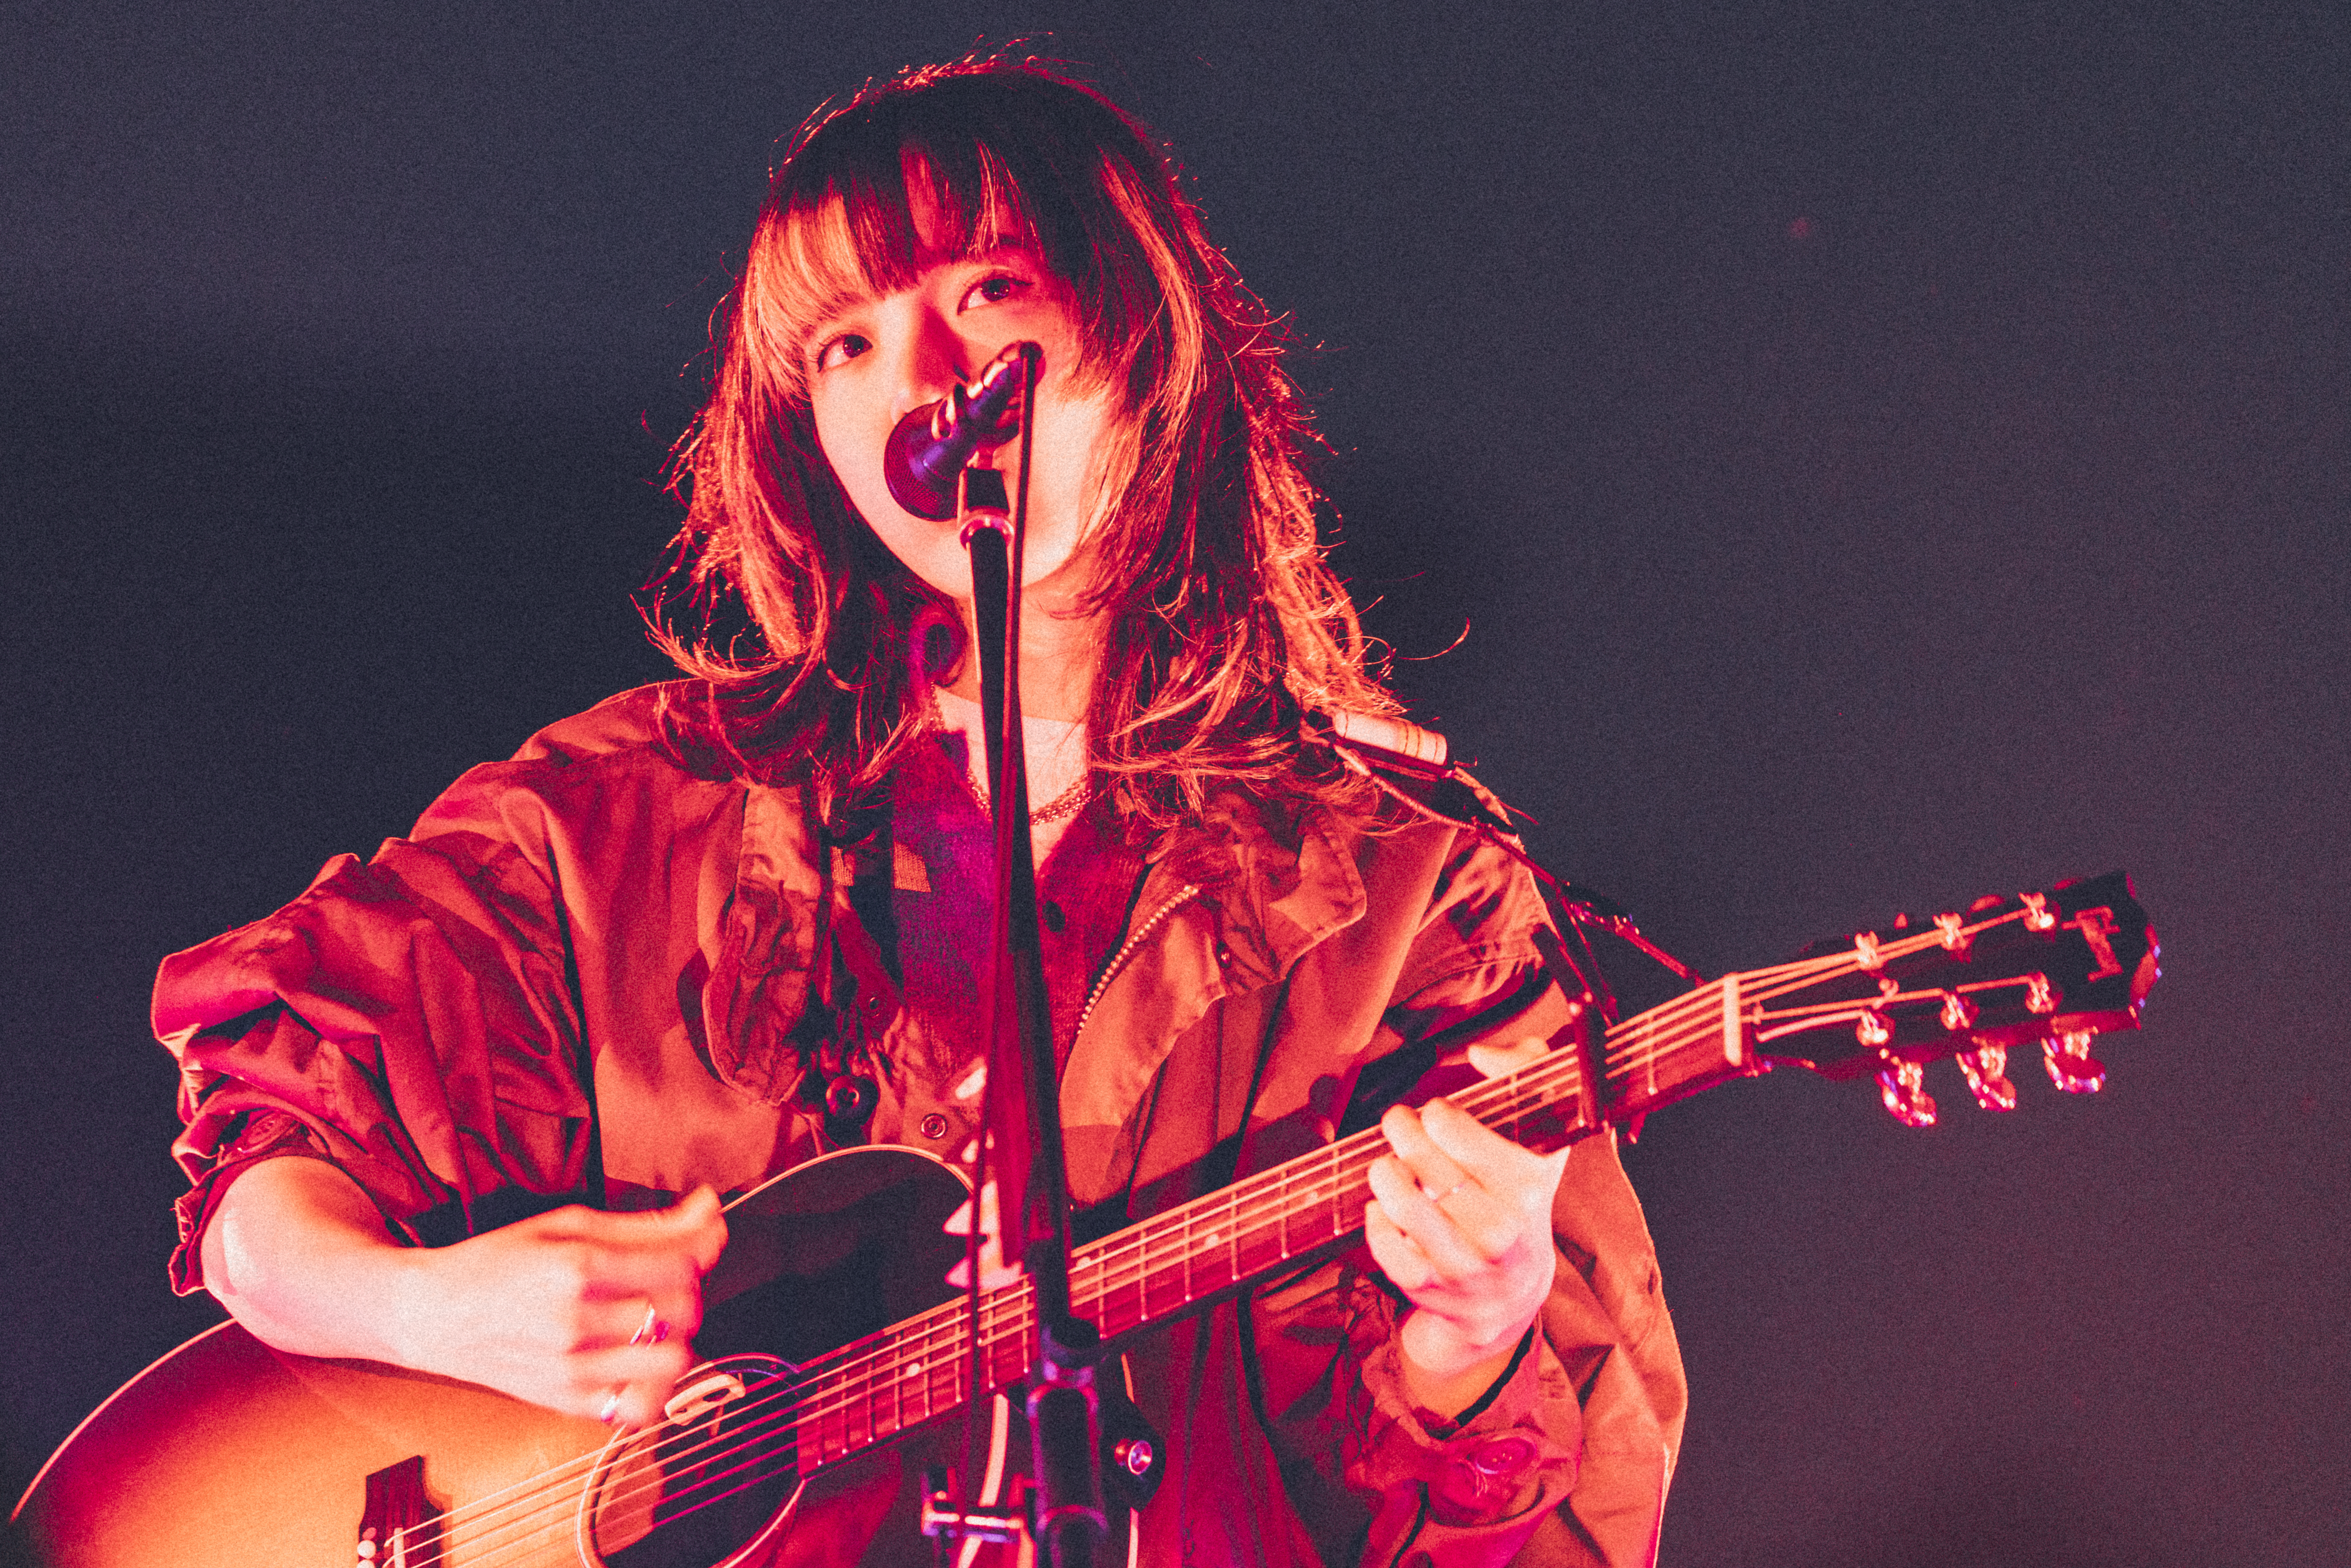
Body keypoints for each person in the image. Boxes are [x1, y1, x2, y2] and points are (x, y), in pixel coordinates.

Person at [156, 56, 1685, 1566]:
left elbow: (1561, 1533)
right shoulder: (616, 820)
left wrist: (1477, 1340)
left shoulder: (1410, 897)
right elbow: (264, 1174)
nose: (923, 377)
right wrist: (434, 1306)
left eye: (990, 287)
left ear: (1136, 330)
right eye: (842, 342)